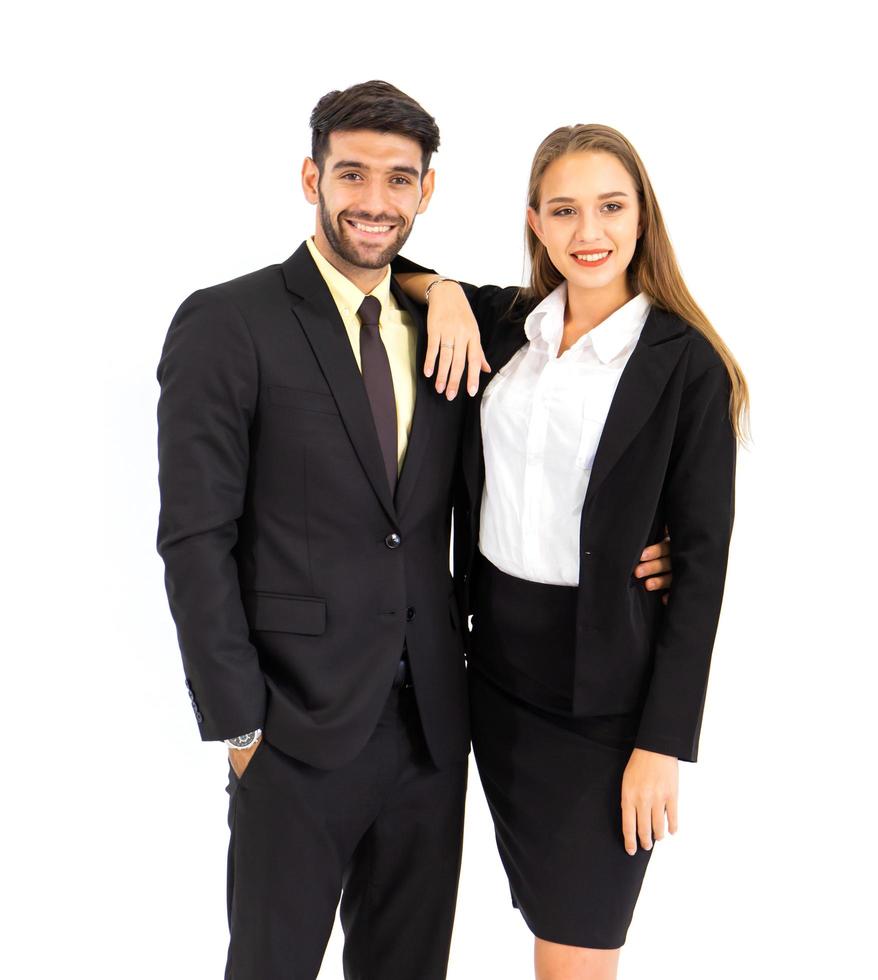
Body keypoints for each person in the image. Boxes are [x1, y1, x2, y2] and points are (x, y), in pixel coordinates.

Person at [156, 81, 672, 980]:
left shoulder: (459, 325)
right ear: (311, 177)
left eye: (400, 180)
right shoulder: (228, 323)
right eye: (351, 174)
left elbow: (591, 344)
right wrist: (240, 729)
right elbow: (195, 539)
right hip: (291, 728)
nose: (374, 200)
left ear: (425, 193)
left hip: (433, 730)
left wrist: (641, 542)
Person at [394, 123, 747, 980]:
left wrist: (662, 746)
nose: (589, 232)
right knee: (540, 922)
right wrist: (441, 288)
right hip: (494, 680)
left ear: (641, 218)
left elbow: (700, 573)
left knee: (578, 949)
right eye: (565, 210)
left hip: (605, 705)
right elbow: (391, 274)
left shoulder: (685, 365)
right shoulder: (506, 325)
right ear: (536, 224)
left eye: (610, 207)